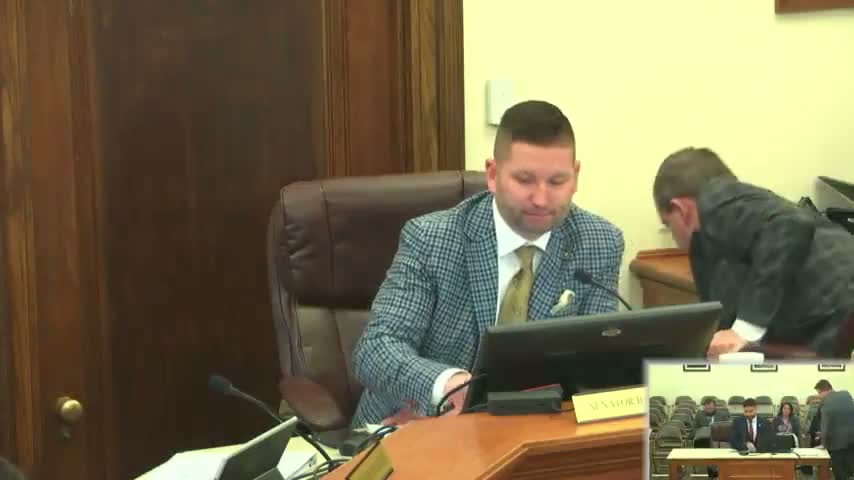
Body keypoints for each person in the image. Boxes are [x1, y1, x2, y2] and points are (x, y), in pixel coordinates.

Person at [351, 100, 624, 427]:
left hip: (533, 429)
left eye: (556, 182)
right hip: (415, 423)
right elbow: (376, 349)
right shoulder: (432, 238)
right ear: (493, 175)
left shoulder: (599, 242)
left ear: (575, 176)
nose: (541, 199)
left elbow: (597, 360)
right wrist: (449, 386)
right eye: (525, 180)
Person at [652, 147, 854, 358]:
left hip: (837, 305)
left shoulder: (715, 200)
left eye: (668, 224)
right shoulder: (726, 226)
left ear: (681, 209)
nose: (674, 237)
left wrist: (744, 330)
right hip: (830, 313)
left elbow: (790, 223)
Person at [815, 379, 854, 480]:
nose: (819, 396)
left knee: (839, 472)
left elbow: (825, 426)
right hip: (852, 440)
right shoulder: (846, 394)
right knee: (850, 470)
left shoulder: (826, 403)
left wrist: (823, 444)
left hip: (837, 444)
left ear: (825, 390)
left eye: (819, 393)